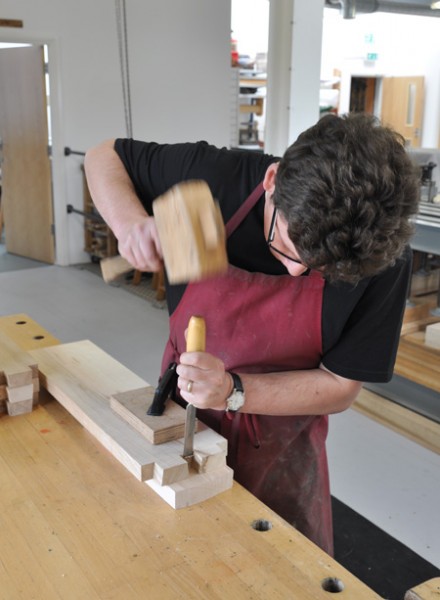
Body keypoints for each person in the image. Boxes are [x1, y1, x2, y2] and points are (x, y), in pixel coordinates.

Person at [84, 113, 420, 555]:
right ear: (272, 180)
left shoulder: (382, 255)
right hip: (178, 420)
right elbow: (103, 155)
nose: (298, 269)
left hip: (284, 447)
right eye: (287, 244)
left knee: (286, 566)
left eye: (319, 268)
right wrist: (129, 224)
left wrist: (232, 390)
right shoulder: (216, 179)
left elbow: (339, 389)